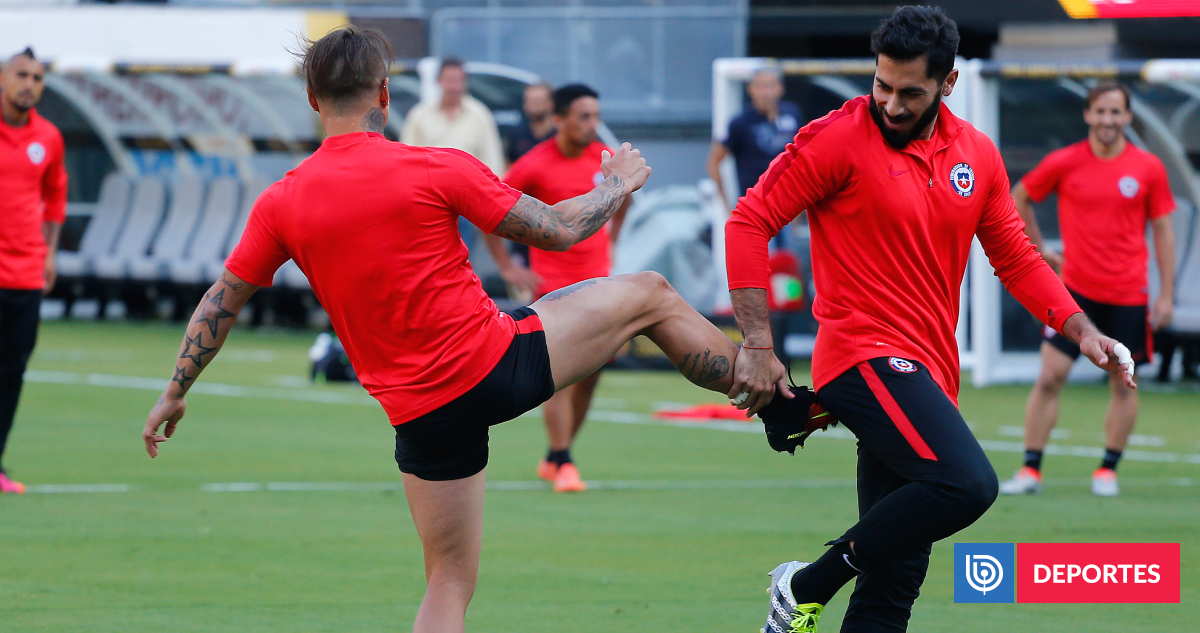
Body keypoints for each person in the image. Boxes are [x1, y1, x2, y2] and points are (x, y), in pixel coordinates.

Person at [141, 27, 816, 633]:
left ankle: (772, 404)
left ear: (313, 99)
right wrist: (617, 184)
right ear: (385, 94)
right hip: (496, 364)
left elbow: (219, 303)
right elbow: (560, 229)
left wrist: (176, 388)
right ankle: (777, 402)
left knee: (447, 583)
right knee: (651, 294)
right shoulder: (434, 165)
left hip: (419, 413)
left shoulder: (282, 200)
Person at [723, 8, 1136, 632]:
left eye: (910, 93)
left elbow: (1016, 257)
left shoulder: (978, 154)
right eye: (881, 85)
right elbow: (748, 222)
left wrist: (1082, 330)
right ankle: (804, 584)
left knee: (893, 585)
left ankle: (803, 598)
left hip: (929, 372)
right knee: (966, 484)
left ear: (948, 83)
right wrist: (758, 343)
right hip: (861, 354)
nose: (890, 104)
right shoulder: (834, 138)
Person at [999, 81, 1175, 498]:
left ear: (1127, 117)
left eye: (1115, 112)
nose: (1107, 120)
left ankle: (1107, 470)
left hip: (1128, 294)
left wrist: (1166, 294)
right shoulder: (1064, 161)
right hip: (1074, 294)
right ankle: (1030, 470)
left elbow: (1163, 231)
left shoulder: (1148, 168)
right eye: (1100, 111)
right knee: (1049, 377)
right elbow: (1018, 197)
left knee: (1123, 381)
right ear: (1087, 115)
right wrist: (1038, 251)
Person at [482, 84, 626, 493]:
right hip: (554, 288)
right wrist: (507, 266)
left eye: (596, 116)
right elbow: (492, 210)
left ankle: (556, 455)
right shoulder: (533, 164)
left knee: (591, 375)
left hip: (599, 281)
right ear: (559, 119)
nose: (592, 124)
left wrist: (612, 241)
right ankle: (563, 460)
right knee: (558, 374)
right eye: (584, 116)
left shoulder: (604, 159)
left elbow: (625, 197)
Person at [0, 47, 66, 495]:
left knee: (11, 375)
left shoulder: (49, 137)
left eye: (37, 78)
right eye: (21, 75)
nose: (29, 85)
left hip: (25, 275)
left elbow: (55, 195)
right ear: (4, 78)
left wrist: (50, 253)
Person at [707, 66, 803, 205]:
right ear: (750, 89)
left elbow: (802, 156)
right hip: (754, 205)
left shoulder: (792, 114)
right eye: (760, 86)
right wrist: (726, 204)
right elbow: (715, 160)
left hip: (787, 202)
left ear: (780, 88)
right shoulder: (741, 122)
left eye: (770, 86)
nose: (766, 93)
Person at [401, 57, 505, 175]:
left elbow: (492, 157)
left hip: (470, 182)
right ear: (439, 81)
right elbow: (408, 156)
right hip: (430, 182)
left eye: (457, 80)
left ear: (465, 82)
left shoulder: (480, 115)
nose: (453, 86)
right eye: (448, 80)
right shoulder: (420, 115)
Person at [504, 82, 556, 165]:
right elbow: (510, 165)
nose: (533, 105)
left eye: (538, 101)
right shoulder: (517, 134)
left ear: (551, 103)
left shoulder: (560, 135)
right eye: (529, 100)